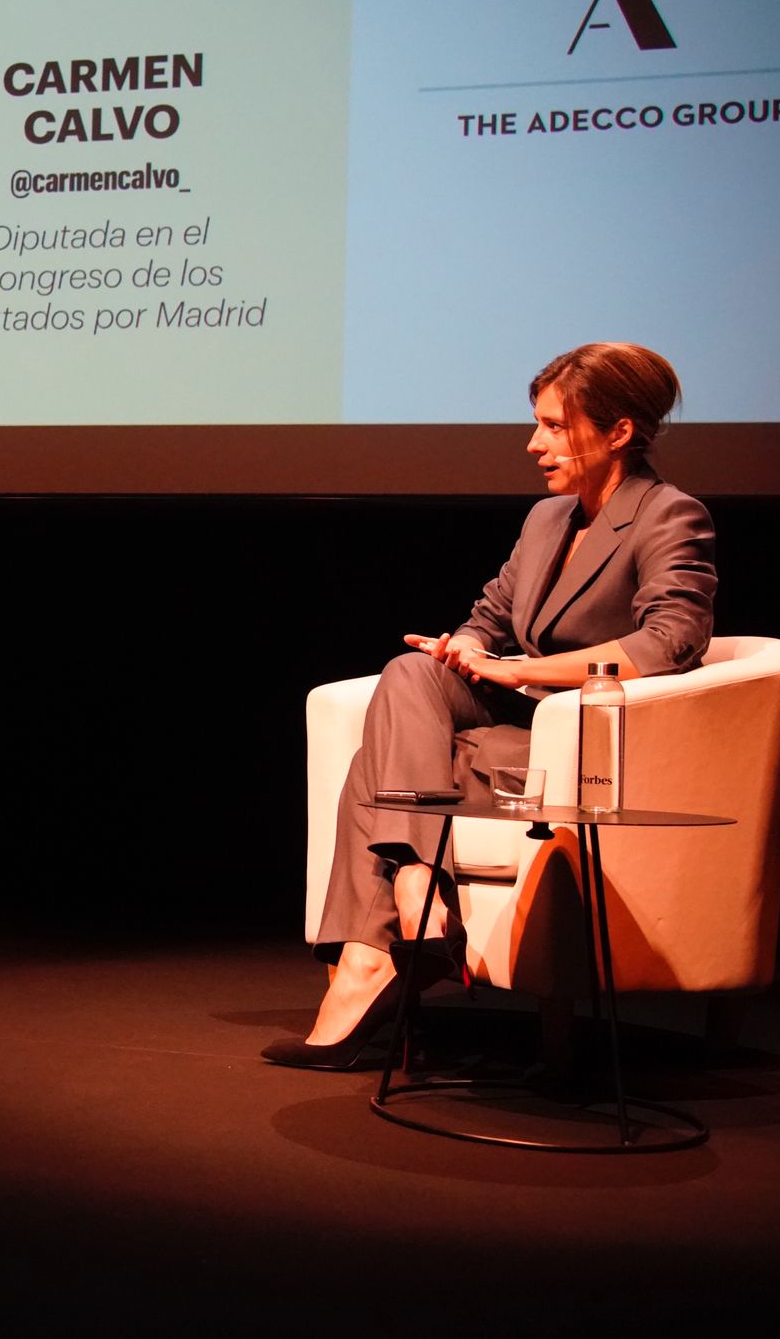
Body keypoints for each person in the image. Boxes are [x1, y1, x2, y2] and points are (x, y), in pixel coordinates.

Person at [264, 342, 717, 1068]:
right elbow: (490, 617)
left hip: (580, 748)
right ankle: (417, 890)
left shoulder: (670, 515)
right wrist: (463, 649)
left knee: (368, 773)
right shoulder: (546, 521)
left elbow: (671, 641)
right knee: (412, 671)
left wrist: (520, 672)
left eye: (554, 426)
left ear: (620, 431)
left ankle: (368, 962)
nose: (534, 443)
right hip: (509, 733)